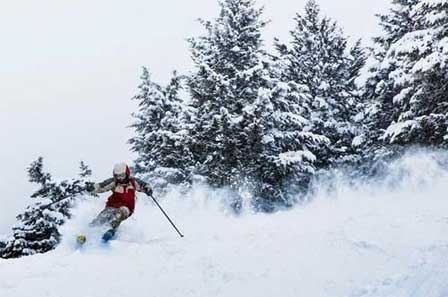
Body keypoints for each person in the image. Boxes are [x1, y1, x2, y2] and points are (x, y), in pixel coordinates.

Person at [77, 162, 152, 243]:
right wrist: (92, 188)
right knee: (103, 217)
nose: (120, 178)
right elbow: (102, 186)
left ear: (127, 173)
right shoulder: (114, 182)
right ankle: (86, 234)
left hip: (127, 207)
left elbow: (144, 185)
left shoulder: (133, 182)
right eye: (117, 176)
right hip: (112, 206)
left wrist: (148, 189)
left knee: (122, 212)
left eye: (122, 175)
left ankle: (111, 230)